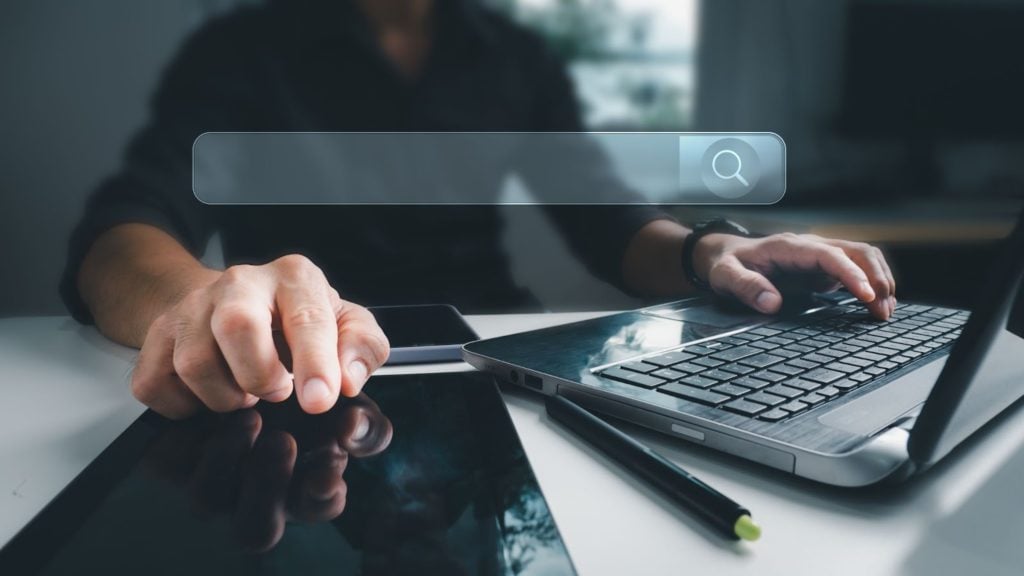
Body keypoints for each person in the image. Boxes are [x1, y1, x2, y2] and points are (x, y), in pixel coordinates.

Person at [62, 0, 896, 420]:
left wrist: (711, 251)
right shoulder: (241, 49)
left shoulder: (513, 55)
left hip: (493, 361)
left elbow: (608, 218)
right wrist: (198, 301)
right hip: (292, 383)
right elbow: (124, 225)